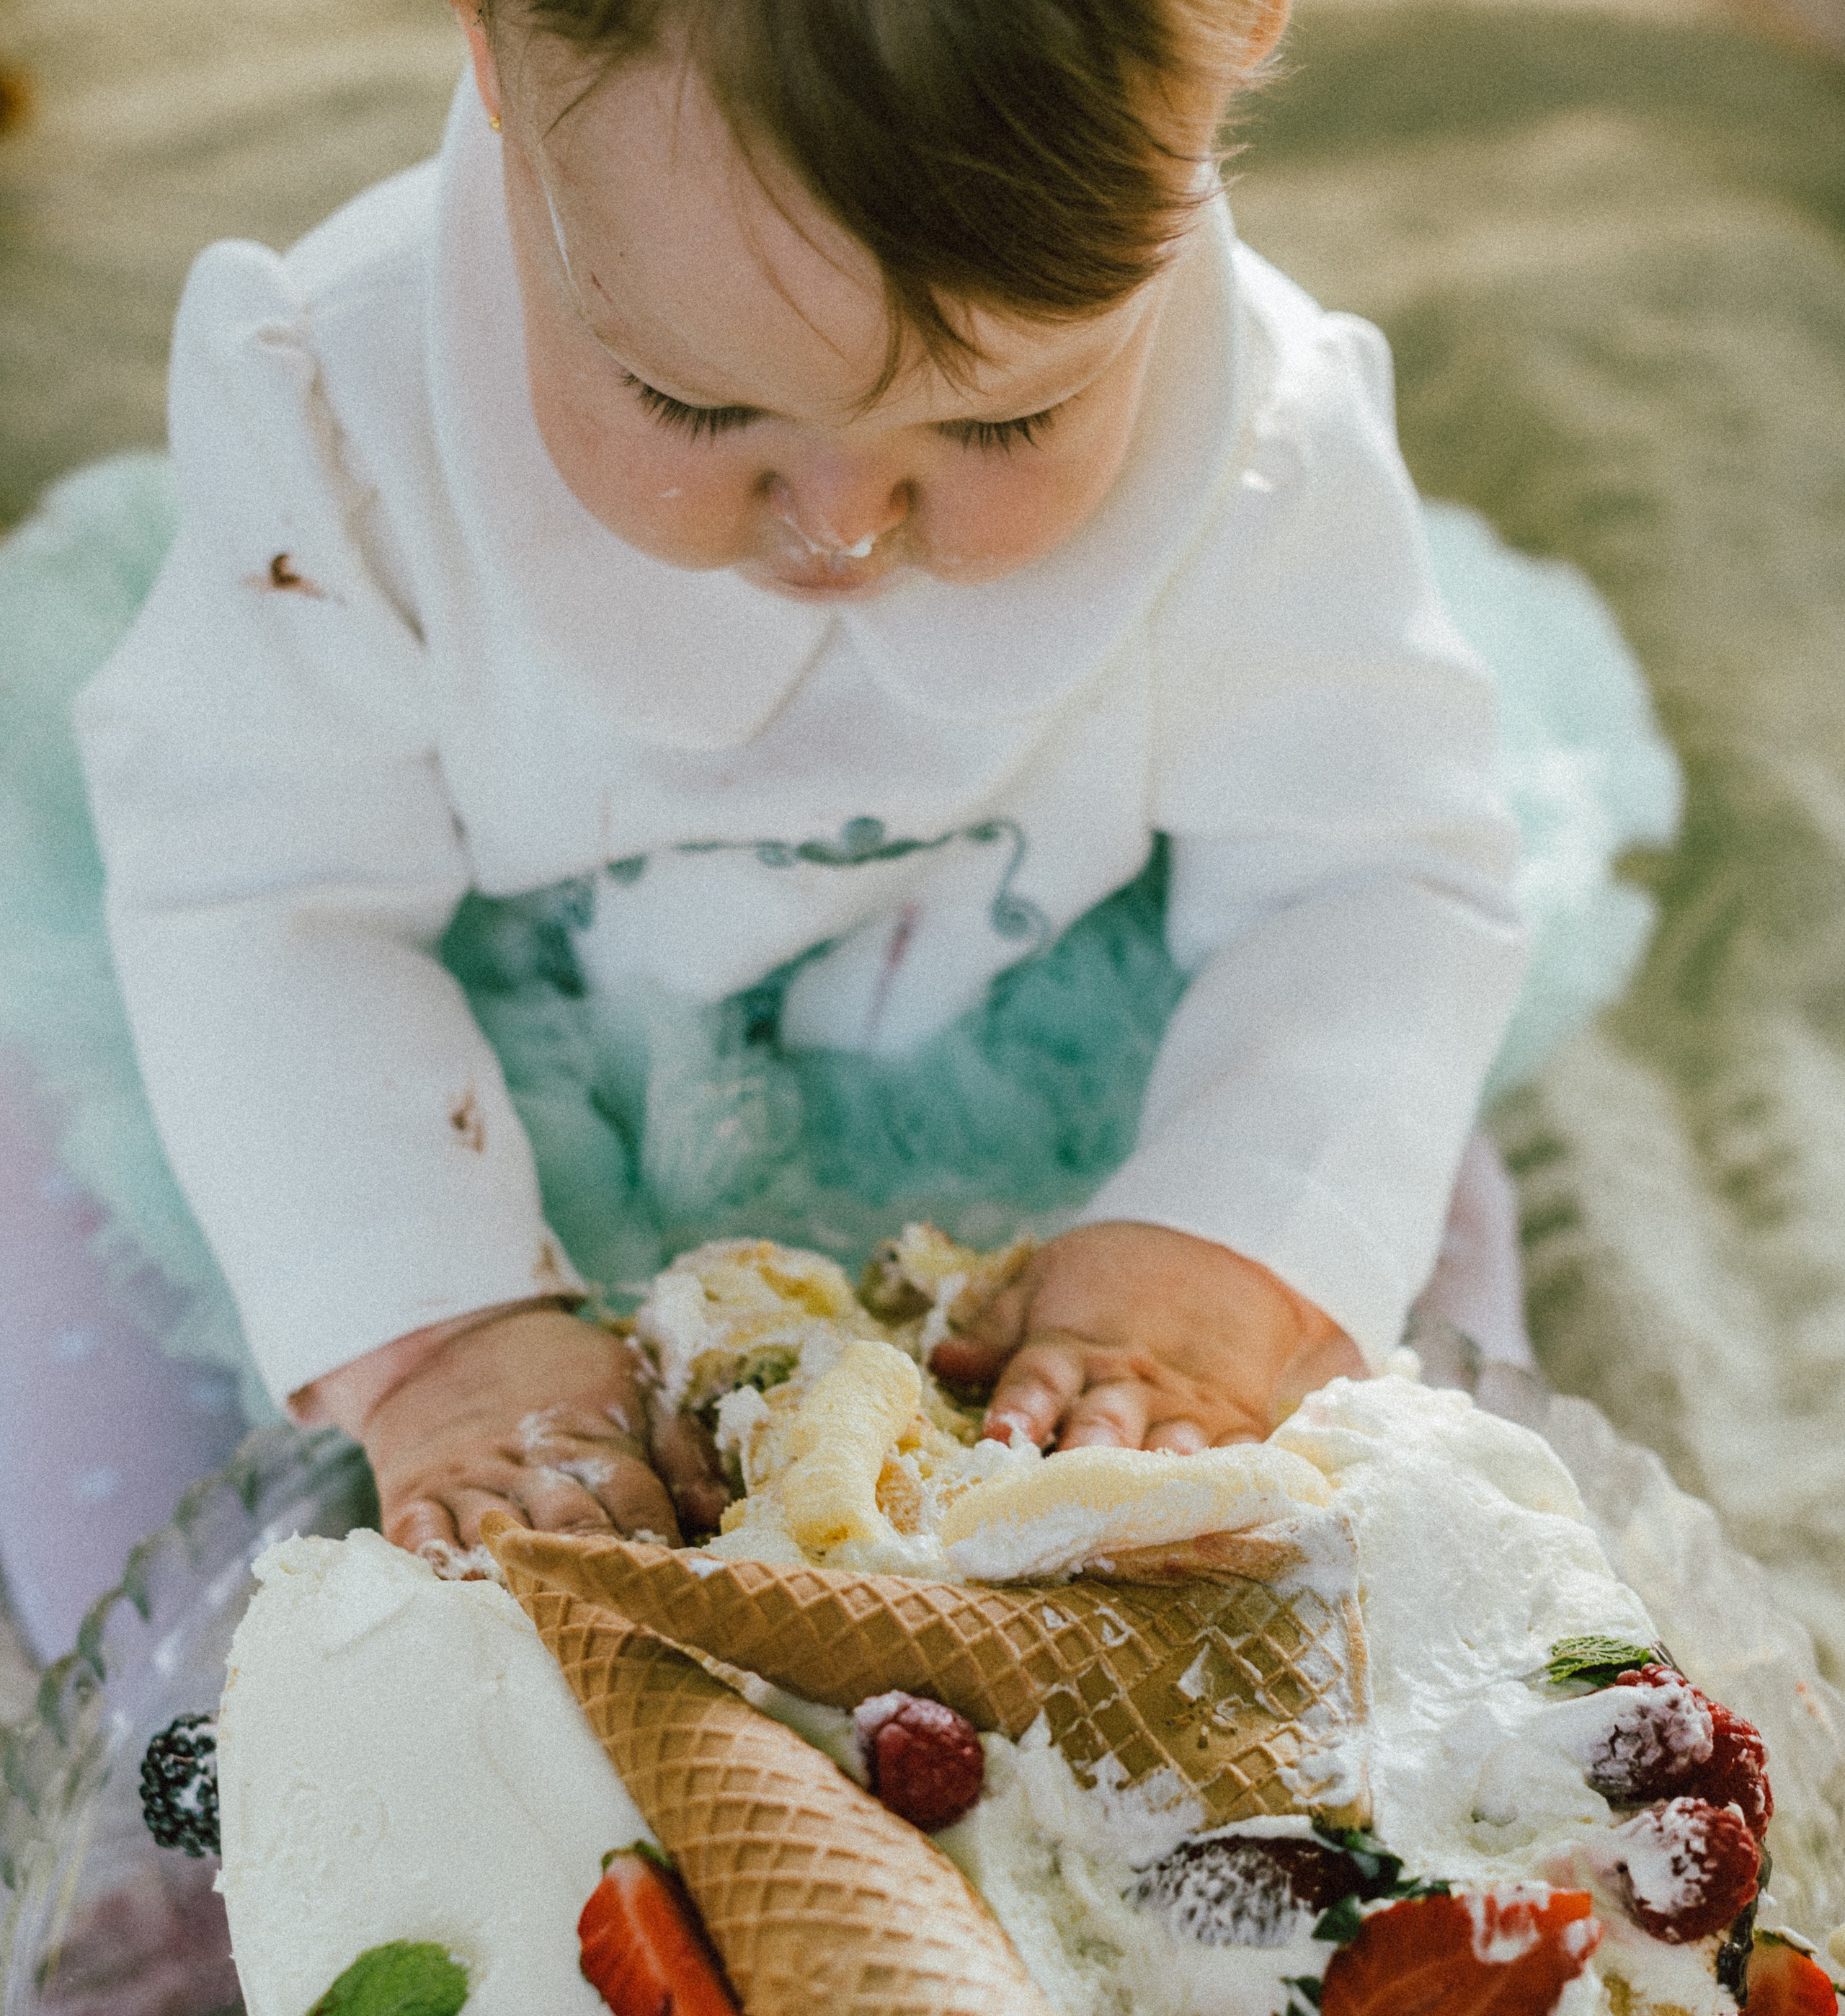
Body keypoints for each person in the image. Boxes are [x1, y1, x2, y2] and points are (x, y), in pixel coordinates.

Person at [66, 0, 1534, 1586]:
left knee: (1397, 1278)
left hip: (1044, 1025)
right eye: (695, 408)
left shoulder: (1260, 452)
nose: (841, 529)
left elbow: (1374, 878)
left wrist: (1219, 1252)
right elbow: (266, 892)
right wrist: (445, 1338)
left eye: (1001, 416)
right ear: (495, 44)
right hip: (497, 1045)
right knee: (124, 1262)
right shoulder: (342, 417)